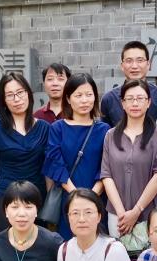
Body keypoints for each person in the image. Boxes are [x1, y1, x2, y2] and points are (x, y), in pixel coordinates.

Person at [101, 79, 157, 251]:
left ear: (149, 102)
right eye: (130, 99)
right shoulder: (110, 135)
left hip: (151, 213)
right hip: (117, 215)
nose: (135, 103)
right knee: (119, 260)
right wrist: (121, 213)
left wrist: (137, 211)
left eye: (140, 98)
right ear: (122, 103)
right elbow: (106, 175)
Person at [43, 73, 111, 239]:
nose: (84, 100)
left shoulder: (104, 129)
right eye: (78, 95)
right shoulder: (57, 128)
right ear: (68, 98)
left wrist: (91, 196)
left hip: (97, 198)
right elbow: (55, 164)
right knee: (67, 244)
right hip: (67, 196)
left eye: (89, 95)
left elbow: (107, 166)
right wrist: (76, 195)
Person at [0, 73, 50, 232]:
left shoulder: (45, 128)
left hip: (37, 199)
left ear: (28, 94)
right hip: (5, 199)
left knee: (36, 244)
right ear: (3, 101)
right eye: (10, 95)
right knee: (7, 243)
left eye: (20, 92)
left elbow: (49, 170)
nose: (17, 99)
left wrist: (49, 203)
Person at [100, 41, 157, 126]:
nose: (134, 66)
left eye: (140, 60)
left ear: (148, 64)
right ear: (122, 66)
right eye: (129, 61)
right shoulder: (109, 99)